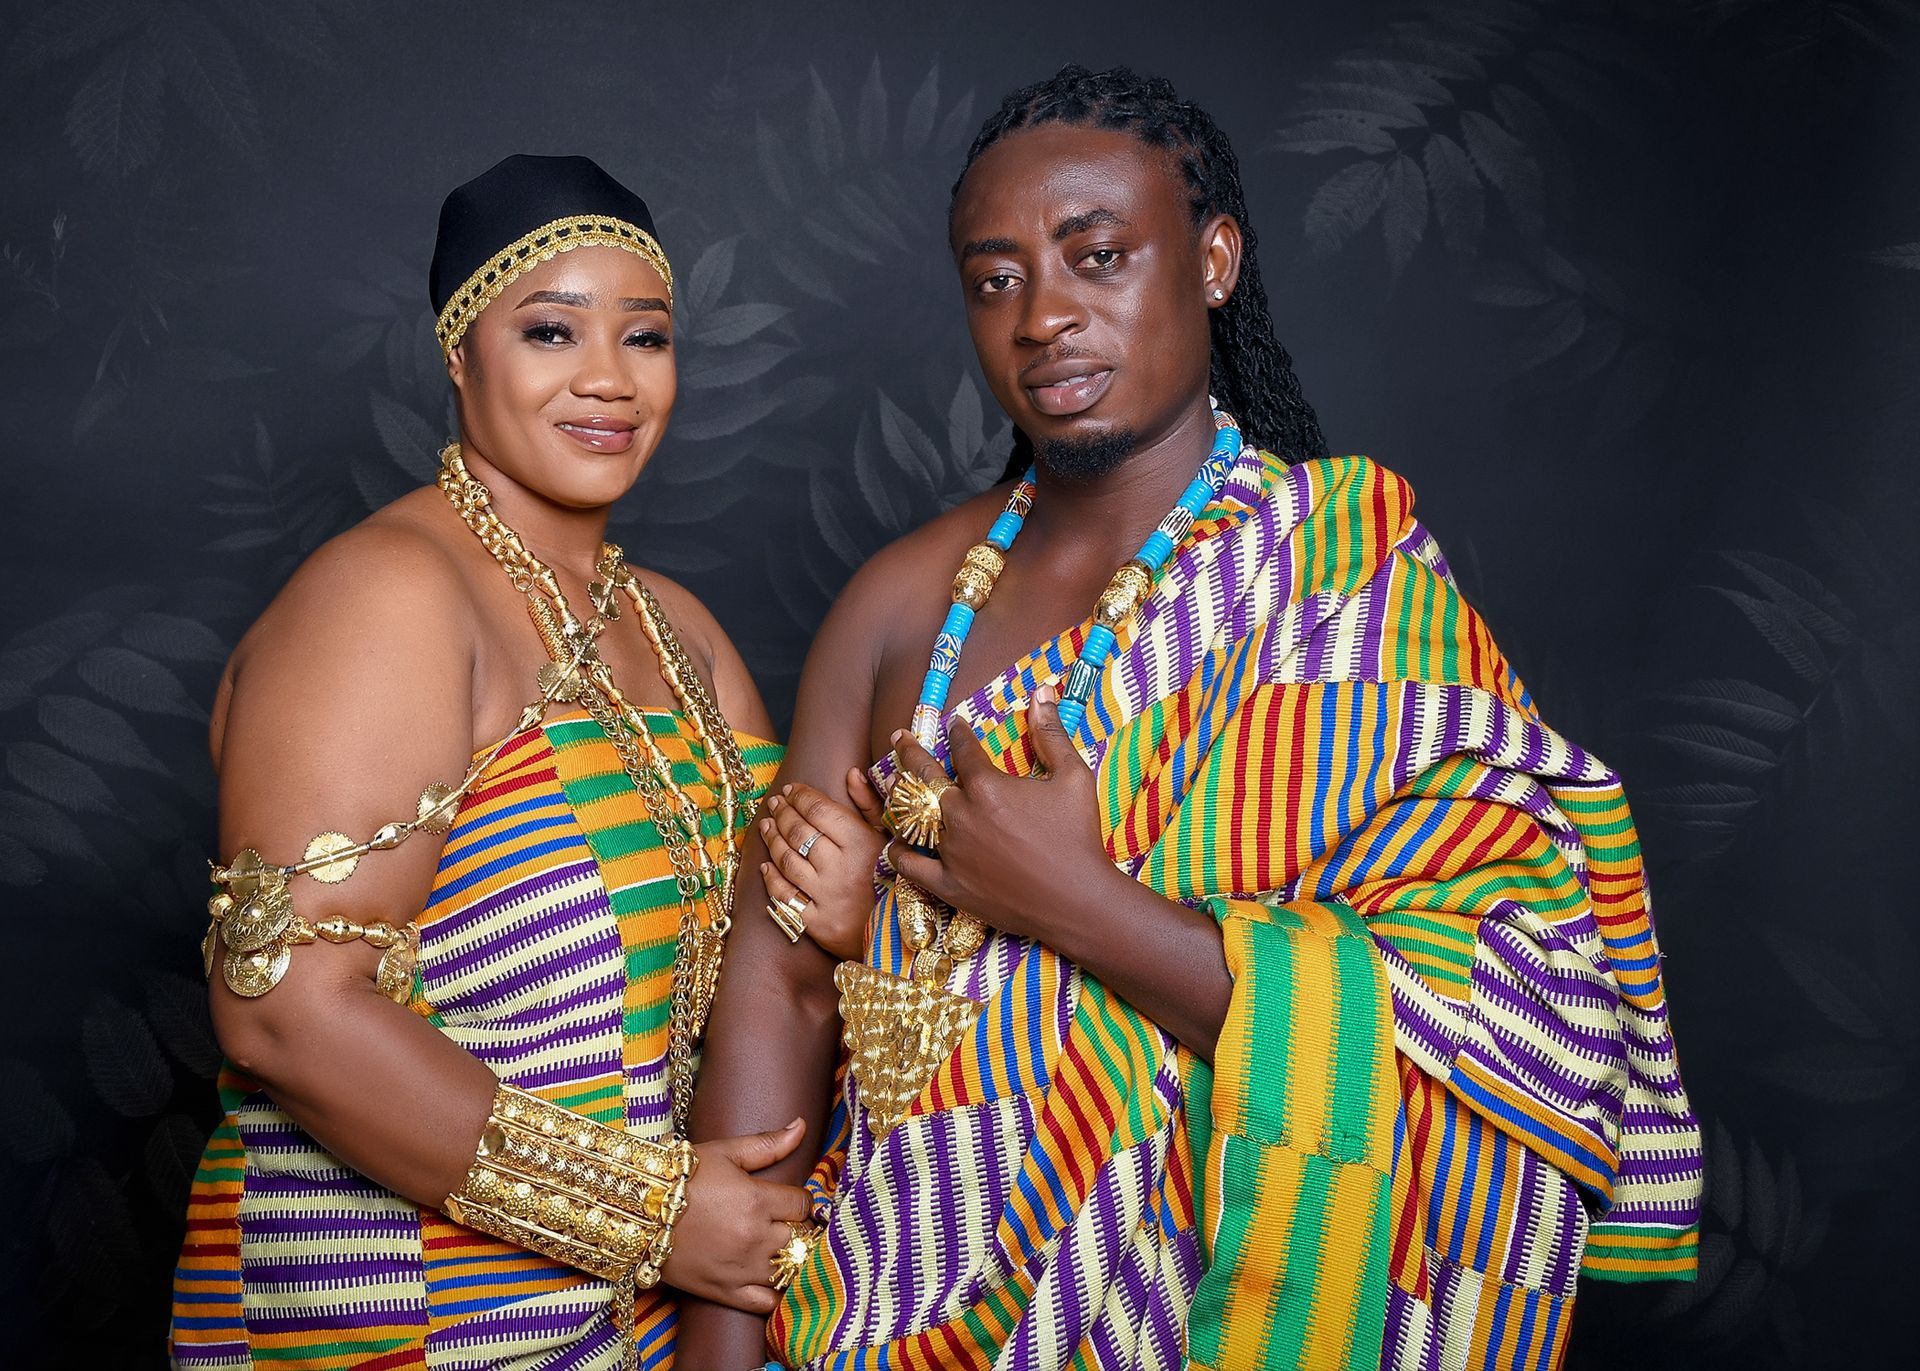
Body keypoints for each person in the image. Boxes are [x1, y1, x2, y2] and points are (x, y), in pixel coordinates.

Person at [678, 68, 1702, 1371]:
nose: (1044, 315)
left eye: (1097, 256)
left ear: (1213, 261)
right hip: (887, 1298)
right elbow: (780, 987)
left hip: (1209, 1312)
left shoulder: (1344, 581)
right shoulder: (898, 607)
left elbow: (1520, 1022)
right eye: (995, 280)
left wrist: (1074, 902)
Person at [169, 154, 837, 1370]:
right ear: (459, 354)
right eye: (550, 330)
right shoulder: (388, 596)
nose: (608, 378)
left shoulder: (681, 633)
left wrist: (851, 905)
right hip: (394, 1325)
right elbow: (282, 1014)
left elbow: (770, 967)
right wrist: (649, 1213)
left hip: (646, 1329)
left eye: (646, 337)